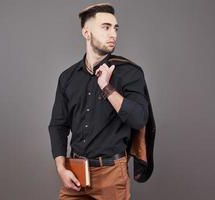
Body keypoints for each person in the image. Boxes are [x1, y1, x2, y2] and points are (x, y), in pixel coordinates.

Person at [48, 3, 156, 200]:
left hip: (112, 176)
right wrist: (61, 168)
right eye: (105, 27)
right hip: (77, 174)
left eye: (115, 28)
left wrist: (106, 87)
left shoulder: (130, 73)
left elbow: (139, 119)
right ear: (86, 32)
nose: (113, 33)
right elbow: (58, 125)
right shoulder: (68, 77)